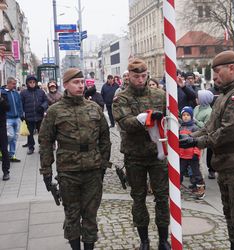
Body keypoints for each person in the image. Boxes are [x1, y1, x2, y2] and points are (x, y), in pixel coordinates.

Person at [180, 50, 234, 250]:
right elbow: (210, 127)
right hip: (228, 165)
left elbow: (227, 133)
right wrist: (191, 137)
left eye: (217, 72)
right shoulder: (226, 94)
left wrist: (196, 143)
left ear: (231, 68)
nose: (214, 77)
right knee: (231, 218)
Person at [39, 68, 111, 250]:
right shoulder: (55, 111)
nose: (80, 86)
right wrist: (46, 171)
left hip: (92, 170)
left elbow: (105, 138)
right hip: (68, 171)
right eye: (75, 82)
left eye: (82, 82)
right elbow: (46, 142)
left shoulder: (94, 108)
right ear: (65, 85)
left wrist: (103, 165)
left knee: (90, 215)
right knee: (72, 214)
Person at [112, 58, 170, 250]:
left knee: (162, 197)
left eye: (143, 76)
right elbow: (125, 123)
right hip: (134, 155)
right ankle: (144, 241)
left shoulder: (160, 95)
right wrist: (145, 119)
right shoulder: (122, 98)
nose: (140, 80)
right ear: (129, 76)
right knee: (138, 197)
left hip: (157, 154)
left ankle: (163, 240)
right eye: (136, 76)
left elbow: (169, 121)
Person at [179, 106, 204, 199]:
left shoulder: (195, 128)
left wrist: (196, 153)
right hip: (182, 155)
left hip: (192, 155)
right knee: (179, 172)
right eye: (184, 115)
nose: (185, 117)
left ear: (191, 116)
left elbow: (198, 142)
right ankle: (176, 188)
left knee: (196, 173)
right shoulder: (180, 127)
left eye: (187, 115)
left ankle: (200, 189)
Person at [20, 75, 48, 155]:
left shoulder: (41, 92)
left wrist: (42, 107)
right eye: (30, 82)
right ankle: (31, 147)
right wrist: (21, 114)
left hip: (39, 116)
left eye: (33, 82)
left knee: (41, 133)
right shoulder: (23, 93)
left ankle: (42, 147)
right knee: (30, 134)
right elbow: (20, 104)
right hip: (29, 116)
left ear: (35, 83)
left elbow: (46, 101)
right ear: (27, 83)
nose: (32, 84)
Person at [193, 90, 214, 179]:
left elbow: (206, 126)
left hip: (201, 138)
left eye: (198, 98)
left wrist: (196, 121)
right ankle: (194, 176)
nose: (196, 99)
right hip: (193, 134)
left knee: (199, 159)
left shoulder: (209, 112)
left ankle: (200, 179)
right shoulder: (197, 107)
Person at [2, 77, 23, 162]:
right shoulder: (3, 93)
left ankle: (12, 154)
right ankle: (2, 149)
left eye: (15, 84)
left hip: (17, 118)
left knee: (15, 137)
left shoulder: (16, 93)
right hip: (8, 118)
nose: (15, 86)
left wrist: (21, 114)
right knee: (10, 135)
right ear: (8, 83)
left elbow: (19, 104)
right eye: (13, 84)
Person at [0, 90, 10, 180]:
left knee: (4, 149)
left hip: (1, 127)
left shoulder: (3, 95)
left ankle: (6, 171)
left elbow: (7, 108)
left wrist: (1, 99)